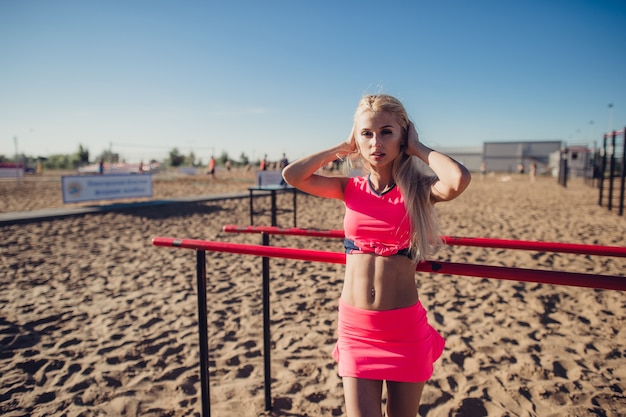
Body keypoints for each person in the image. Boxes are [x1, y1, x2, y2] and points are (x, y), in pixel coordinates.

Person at [282, 94, 471, 417]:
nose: (375, 142)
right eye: (366, 134)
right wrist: (342, 146)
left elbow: (457, 180)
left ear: (403, 136)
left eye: (387, 132)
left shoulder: (419, 190)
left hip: (404, 330)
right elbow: (293, 176)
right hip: (356, 327)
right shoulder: (350, 188)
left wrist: (419, 148)